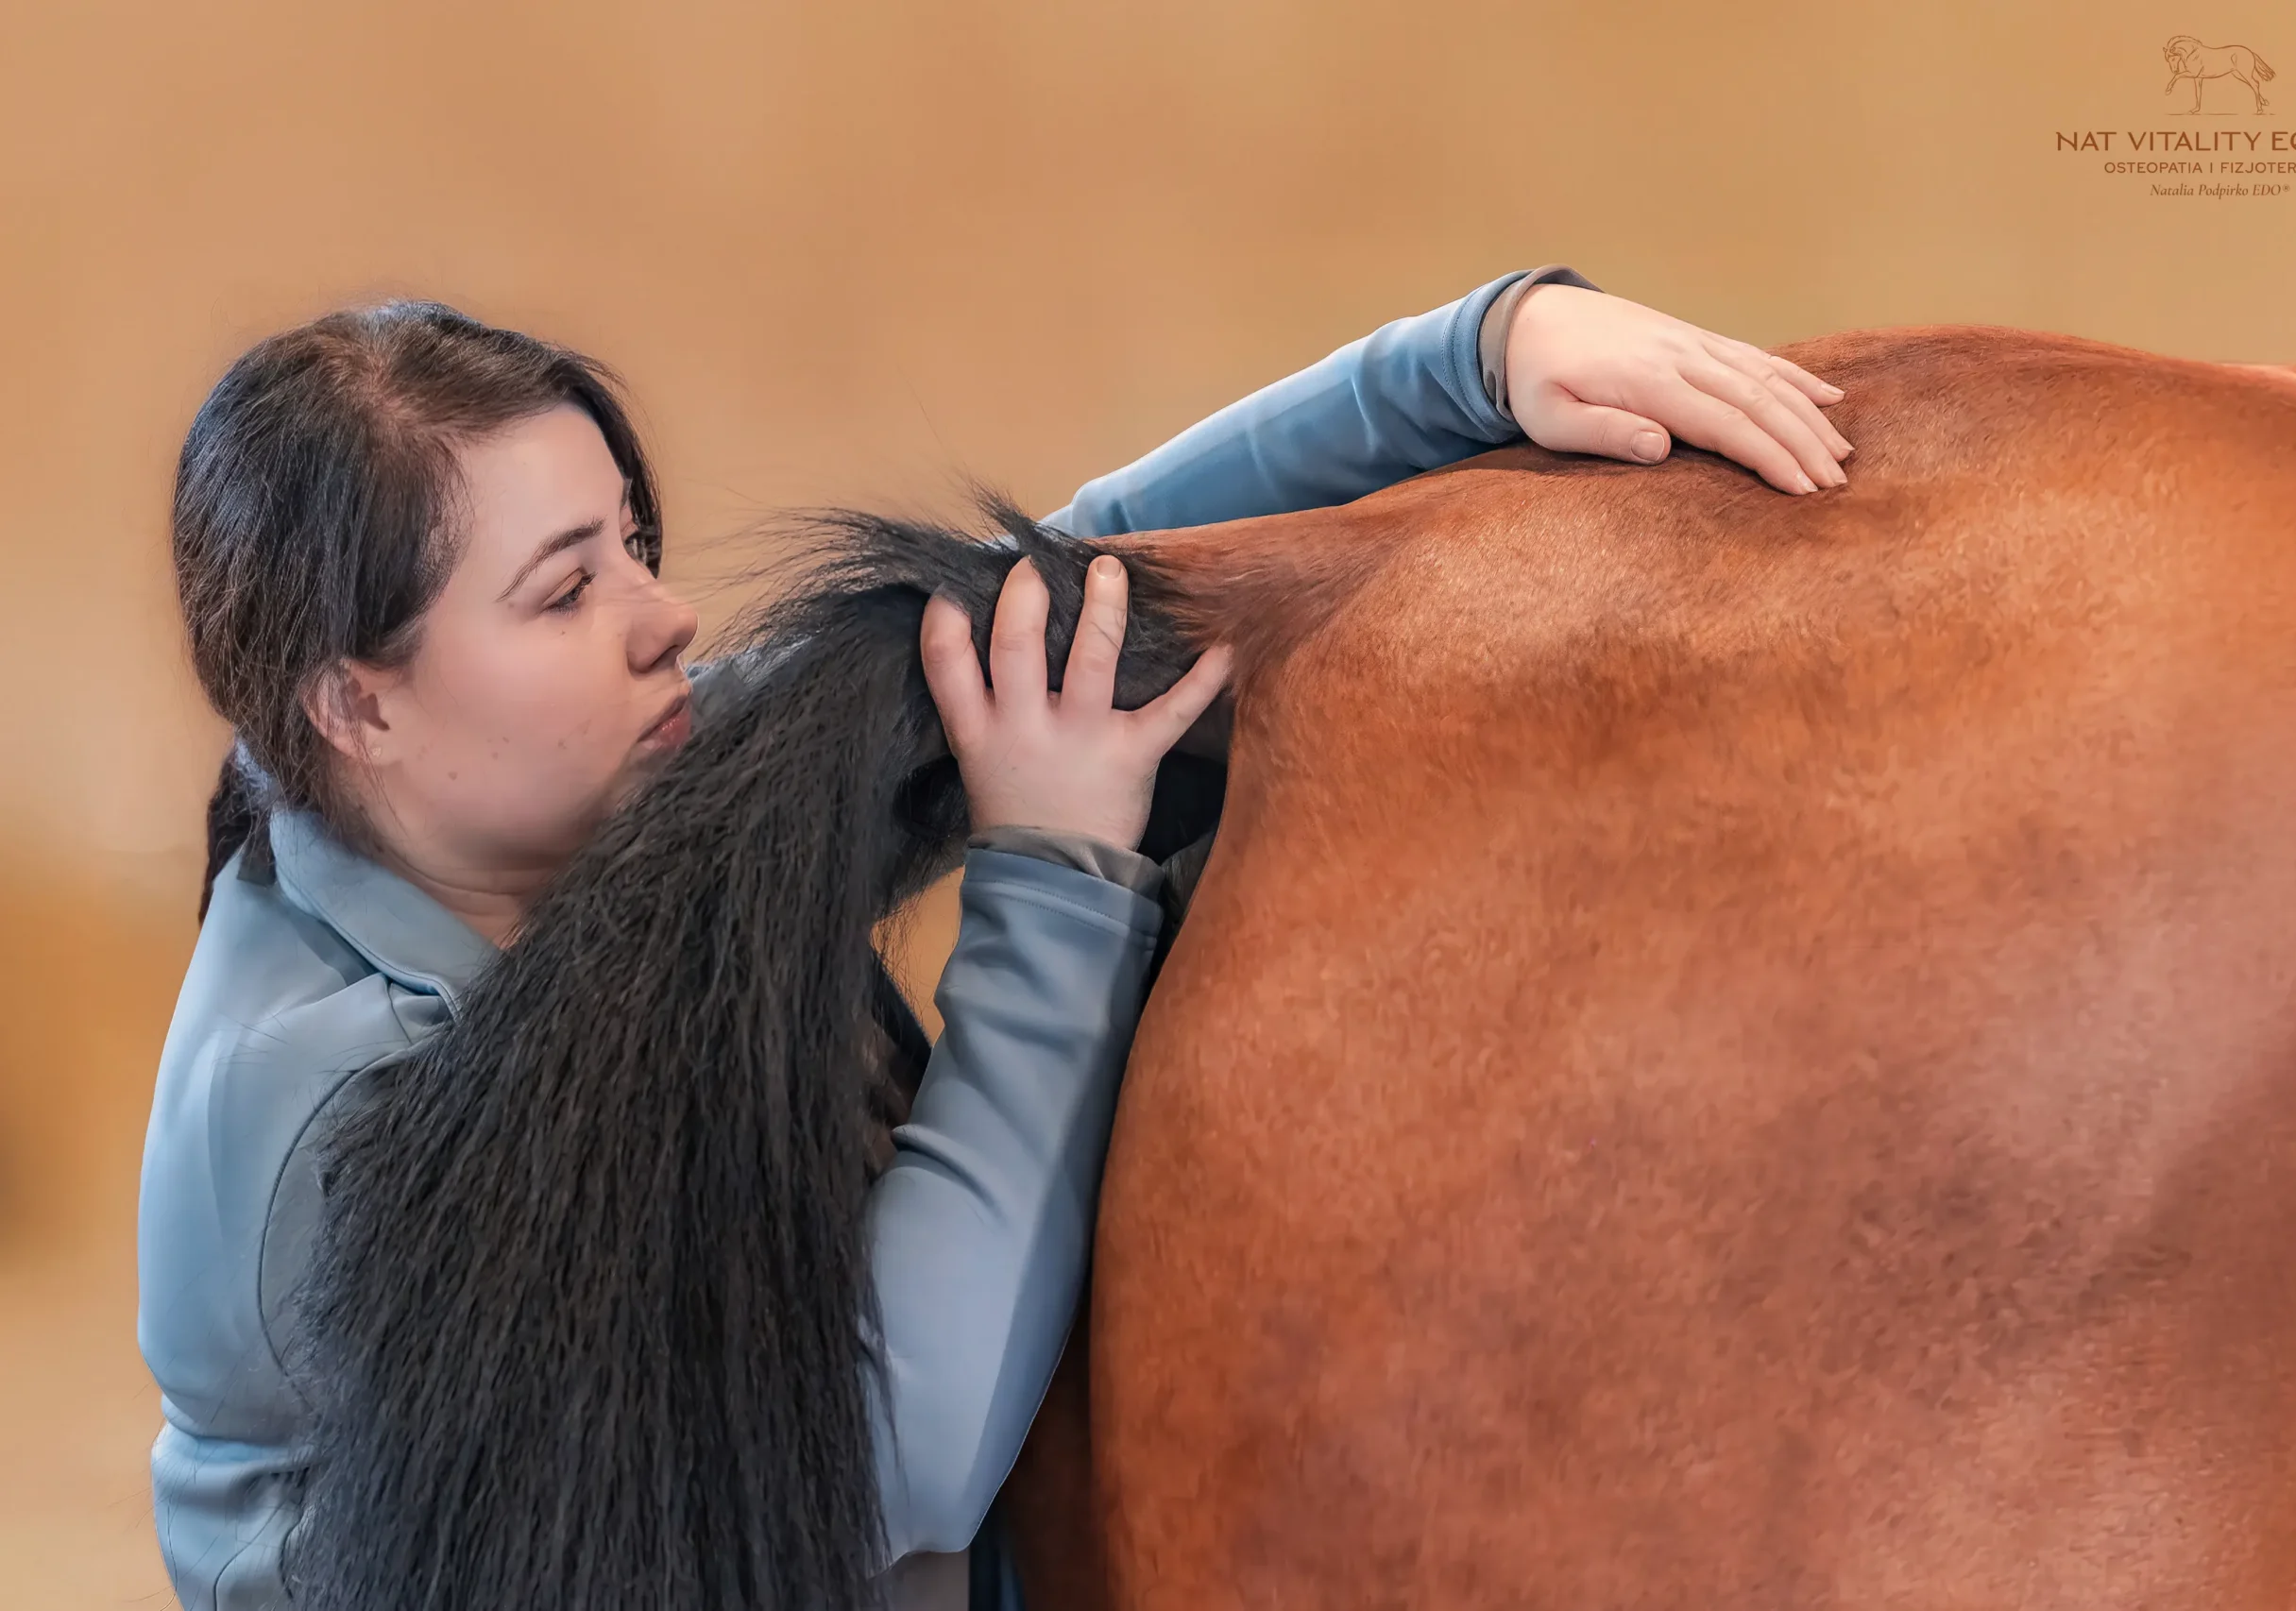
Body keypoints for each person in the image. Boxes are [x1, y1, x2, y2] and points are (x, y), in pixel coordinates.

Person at [137, 266, 1854, 1610]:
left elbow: (1021, 601)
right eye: (565, 590)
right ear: (354, 700)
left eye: (637, 548)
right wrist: (1053, 876)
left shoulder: (557, 804)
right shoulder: (320, 1127)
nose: (664, 621)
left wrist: (1471, 360)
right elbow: (893, 1458)